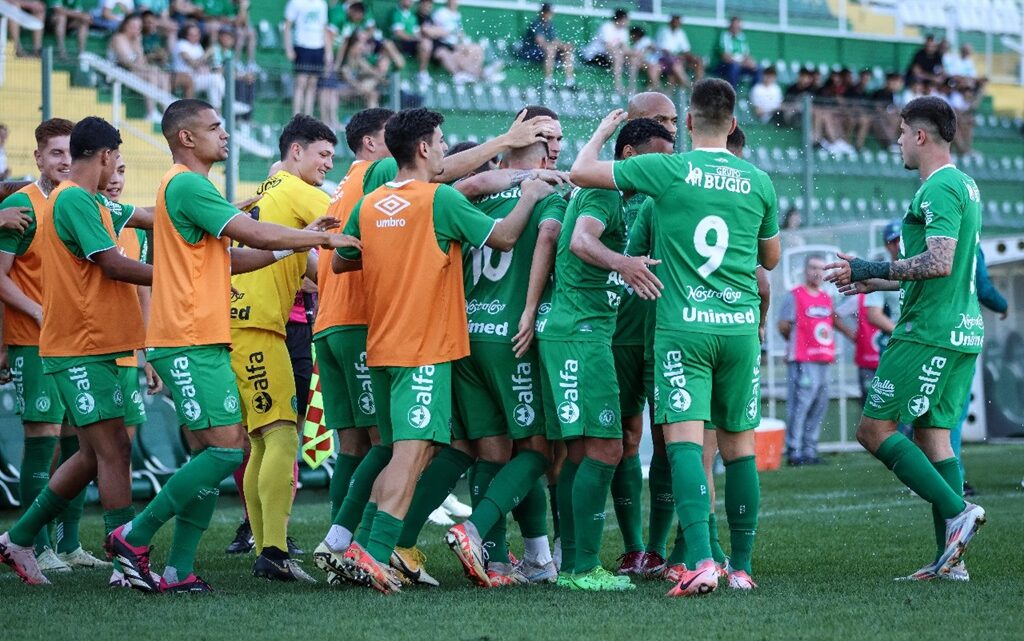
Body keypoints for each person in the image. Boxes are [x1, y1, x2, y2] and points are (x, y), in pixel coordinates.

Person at [103, 98, 358, 594]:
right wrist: (321, 242)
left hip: (210, 333)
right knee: (227, 451)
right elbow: (255, 231)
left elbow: (235, 258)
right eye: (216, 127)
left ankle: (178, 568)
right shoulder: (190, 185)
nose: (226, 134)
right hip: (190, 336)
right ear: (186, 138)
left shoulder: (197, 188)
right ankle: (134, 537)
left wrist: (295, 243)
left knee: (219, 450)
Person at [312, 108, 559, 590]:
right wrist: (528, 194)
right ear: (423, 148)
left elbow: (342, 264)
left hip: (380, 344)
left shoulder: (371, 201)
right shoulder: (436, 201)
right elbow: (506, 237)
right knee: (411, 452)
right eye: (442, 142)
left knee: (400, 451)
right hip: (421, 347)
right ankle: (375, 550)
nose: (447, 150)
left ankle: (364, 544)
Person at [570, 78, 782, 596]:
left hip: (683, 328)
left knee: (684, 446)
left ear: (687, 124)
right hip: (738, 330)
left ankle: (701, 562)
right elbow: (769, 260)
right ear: (733, 124)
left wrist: (603, 131)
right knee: (738, 449)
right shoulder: (759, 181)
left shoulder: (669, 170)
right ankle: (742, 567)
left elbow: (579, 172)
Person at [824, 96, 987, 581]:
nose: (896, 142)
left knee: (873, 430)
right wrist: (876, 281)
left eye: (900, 133)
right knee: (936, 438)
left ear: (919, 136)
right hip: (961, 329)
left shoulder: (938, 188)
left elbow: (937, 262)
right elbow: (943, 266)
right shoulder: (966, 186)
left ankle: (959, 512)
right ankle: (950, 562)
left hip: (928, 332)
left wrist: (871, 266)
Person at [0, 117, 154, 586]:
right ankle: (124, 558)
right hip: (74, 343)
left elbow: (152, 215)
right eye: (117, 159)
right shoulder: (70, 200)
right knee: (106, 448)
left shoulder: (94, 202)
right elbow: (112, 265)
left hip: (94, 342)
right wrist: (187, 279)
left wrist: (226, 215)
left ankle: (23, 539)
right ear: (106, 156)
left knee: (90, 453)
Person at [536, 118, 672, 592]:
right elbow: (579, 241)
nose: (665, 167)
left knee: (578, 452)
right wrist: (624, 263)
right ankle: (582, 568)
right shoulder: (605, 194)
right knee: (608, 448)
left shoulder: (604, 191)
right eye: (658, 156)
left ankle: (573, 565)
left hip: (575, 330)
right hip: (581, 332)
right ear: (631, 156)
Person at [223, 115, 341, 583]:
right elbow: (352, 218)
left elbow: (307, 263)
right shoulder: (295, 189)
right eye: (322, 155)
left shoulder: (266, 189)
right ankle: (273, 551)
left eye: (332, 156)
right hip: (256, 327)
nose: (329, 165)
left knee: (261, 441)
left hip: (247, 325)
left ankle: (267, 546)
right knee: (281, 438)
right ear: (296, 152)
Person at [0, 118, 110, 575]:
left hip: (72, 342)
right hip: (33, 339)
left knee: (76, 440)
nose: (64, 161)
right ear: (38, 158)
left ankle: (69, 544)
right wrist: (41, 313)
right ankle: (35, 543)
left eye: (70, 153)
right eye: (56, 154)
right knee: (42, 437)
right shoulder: (20, 206)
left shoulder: (81, 202)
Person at [777, 255, 856, 466]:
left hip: (823, 359)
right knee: (800, 405)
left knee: (818, 406)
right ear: (805, 270)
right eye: (813, 267)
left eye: (821, 268)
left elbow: (832, 320)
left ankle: (810, 450)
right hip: (803, 360)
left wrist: (851, 335)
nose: (817, 272)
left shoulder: (825, 297)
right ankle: (794, 451)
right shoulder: (795, 295)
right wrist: (795, 343)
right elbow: (783, 325)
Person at [110, 13, 172, 123]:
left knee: (163, 75)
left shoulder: (136, 40)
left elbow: (142, 62)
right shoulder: (118, 38)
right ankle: (151, 112)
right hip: (118, 72)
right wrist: (147, 69)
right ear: (125, 25)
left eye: (138, 27)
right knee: (152, 75)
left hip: (133, 72)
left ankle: (167, 111)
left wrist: (138, 45)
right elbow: (126, 63)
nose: (136, 29)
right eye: (132, 26)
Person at [285, 0, 332, 117]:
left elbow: (324, 28)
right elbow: (287, 26)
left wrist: (328, 51)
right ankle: (296, 116)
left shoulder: (321, 4)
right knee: (300, 82)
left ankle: (307, 117)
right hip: (302, 45)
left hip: (318, 47)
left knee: (312, 84)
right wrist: (288, 48)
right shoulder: (295, 3)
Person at [581, 8, 643, 95]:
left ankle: (632, 87)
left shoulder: (623, 31)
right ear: (621, 19)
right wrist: (628, 52)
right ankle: (618, 86)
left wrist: (634, 53)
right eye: (627, 19)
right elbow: (609, 47)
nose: (629, 22)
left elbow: (625, 48)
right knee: (618, 55)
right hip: (594, 56)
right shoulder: (607, 27)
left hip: (610, 56)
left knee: (633, 59)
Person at [518, 3, 575, 90]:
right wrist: (555, 46)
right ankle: (548, 82)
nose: (550, 15)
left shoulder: (550, 24)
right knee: (550, 50)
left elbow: (555, 40)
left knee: (566, 52)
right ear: (543, 13)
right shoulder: (535, 23)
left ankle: (569, 82)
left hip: (545, 52)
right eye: (548, 12)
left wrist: (564, 46)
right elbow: (541, 42)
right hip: (531, 52)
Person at [172, 21, 226, 111]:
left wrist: (212, 68)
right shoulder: (181, 44)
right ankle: (228, 101)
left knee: (216, 79)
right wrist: (208, 53)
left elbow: (202, 64)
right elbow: (193, 64)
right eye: (192, 34)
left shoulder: (197, 46)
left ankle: (217, 113)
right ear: (186, 35)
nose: (195, 37)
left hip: (197, 77)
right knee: (215, 79)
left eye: (197, 34)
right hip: (184, 79)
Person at [654, 15, 703, 89]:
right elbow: (666, 51)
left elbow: (686, 50)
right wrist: (679, 56)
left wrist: (692, 57)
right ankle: (690, 87)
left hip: (676, 57)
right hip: (664, 59)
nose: (676, 24)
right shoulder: (664, 31)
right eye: (675, 22)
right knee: (677, 65)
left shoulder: (680, 32)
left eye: (678, 22)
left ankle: (699, 86)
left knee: (698, 61)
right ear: (671, 22)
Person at [390, 0, 432, 87]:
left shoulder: (413, 16)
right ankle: (401, 80)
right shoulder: (396, 13)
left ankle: (422, 73)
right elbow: (399, 33)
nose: (409, 1)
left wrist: (417, 38)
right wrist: (414, 38)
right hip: (399, 43)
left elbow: (417, 34)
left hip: (411, 43)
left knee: (426, 43)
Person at [713, 16, 760, 88]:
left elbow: (746, 55)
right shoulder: (724, 36)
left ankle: (754, 95)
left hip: (739, 65)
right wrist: (741, 63)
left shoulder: (742, 37)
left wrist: (751, 63)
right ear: (730, 26)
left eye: (738, 27)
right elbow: (725, 57)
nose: (736, 29)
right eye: (734, 26)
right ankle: (732, 95)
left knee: (758, 68)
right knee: (734, 67)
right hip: (724, 66)